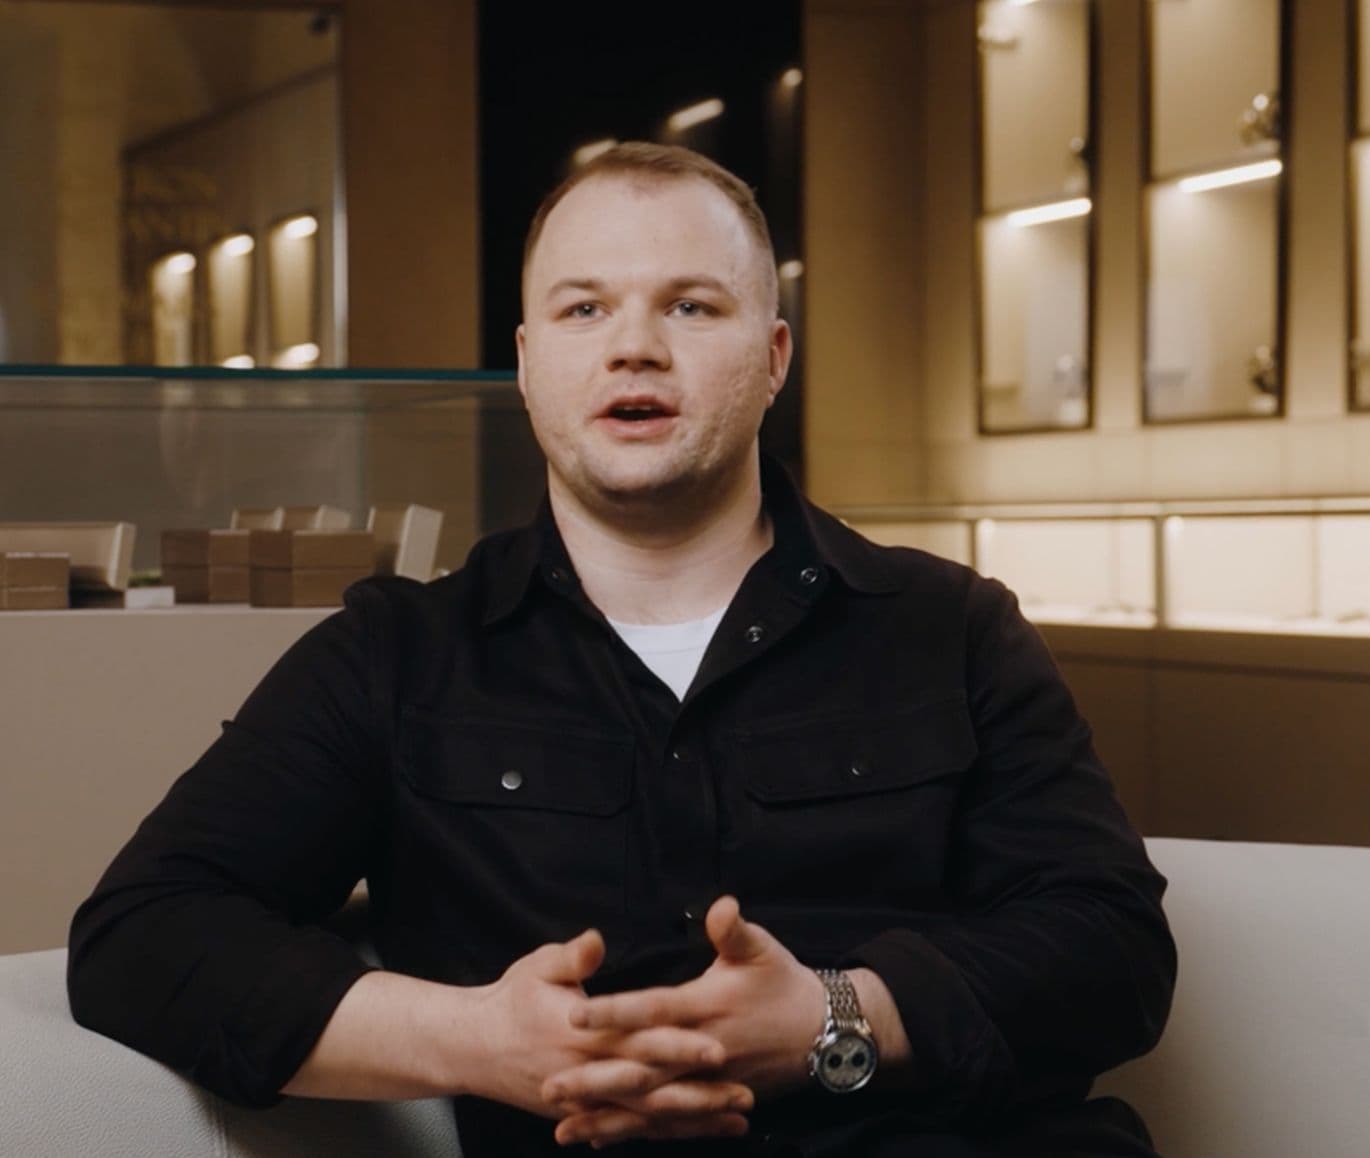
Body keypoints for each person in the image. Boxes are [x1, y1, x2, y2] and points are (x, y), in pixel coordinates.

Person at [68, 143, 1175, 1157]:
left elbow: (1112, 949)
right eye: (584, 308)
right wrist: (480, 1042)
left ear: (775, 355)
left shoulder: (955, 628)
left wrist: (834, 1021)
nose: (634, 345)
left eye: (691, 306)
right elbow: (145, 934)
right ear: (527, 357)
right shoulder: (398, 655)